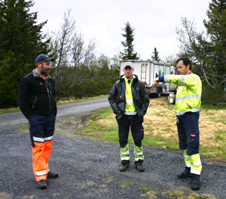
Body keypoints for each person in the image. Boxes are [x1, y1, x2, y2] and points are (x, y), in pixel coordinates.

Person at [152, 57, 202, 190]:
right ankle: (188, 169)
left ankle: (196, 177)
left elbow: (177, 79)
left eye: (180, 67)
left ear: (188, 66)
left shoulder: (193, 78)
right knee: (184, 145)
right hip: (180, 117)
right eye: (178, 68)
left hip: (190, 116)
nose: (179, 70)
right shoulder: (182, 84)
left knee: (192, 144)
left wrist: (161, 78)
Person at [18, 54, 58, 189]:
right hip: (37, 119)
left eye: (49, 64)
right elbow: (22, 100)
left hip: (49, 118)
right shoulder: (27, 80)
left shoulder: (50, 80)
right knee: (38, 146)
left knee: (47, 145)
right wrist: (30, 116)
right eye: (47, 64)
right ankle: (40, 176)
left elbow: (53, 97)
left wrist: (54, 113)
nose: (49, 66)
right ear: (38, 64)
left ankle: (45, 170)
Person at [108, 62, 149, 172]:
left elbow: (146, 99)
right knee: (123, 140)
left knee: (138, 139)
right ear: (123, 71)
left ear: (133, 70)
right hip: (123, 117)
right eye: (126, 69)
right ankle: (125, 161)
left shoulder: (139, 84)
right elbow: (111, 98)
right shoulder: (118, 84)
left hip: (136, 117)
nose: (127, 71)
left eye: (129, 69)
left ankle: (139, 161)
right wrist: (117, 112)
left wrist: (142, 112)